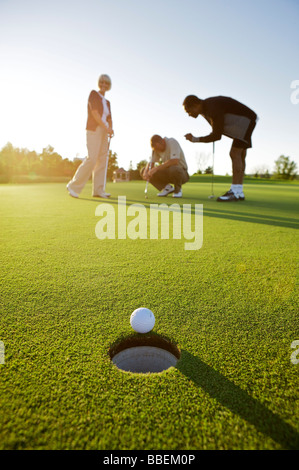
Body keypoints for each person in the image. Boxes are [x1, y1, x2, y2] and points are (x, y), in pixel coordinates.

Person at [183, 95, 258, 201]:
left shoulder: (211, 107)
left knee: (234, 153)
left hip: (244, 121)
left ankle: (235, 191)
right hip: (247, 120)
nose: (189, 115)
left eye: (188, 111)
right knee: (240, 154)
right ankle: (239, 191)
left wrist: (195, 139)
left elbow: (216, 136)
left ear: (195, 105)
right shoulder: (206, 109)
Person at [67, 74, 114, 199]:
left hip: (105, 132)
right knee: (92, 158)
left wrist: (110, 128)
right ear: (99, 83)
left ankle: (98, 190)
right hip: (95, 129)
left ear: (109, 86)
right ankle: (73, 186)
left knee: (103, 160)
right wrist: (106, 127)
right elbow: (94, 113)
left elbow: (109, 118)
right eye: (102, 82)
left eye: (106, 83)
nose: (104, 85)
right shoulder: (94, 94)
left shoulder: (107, 102)